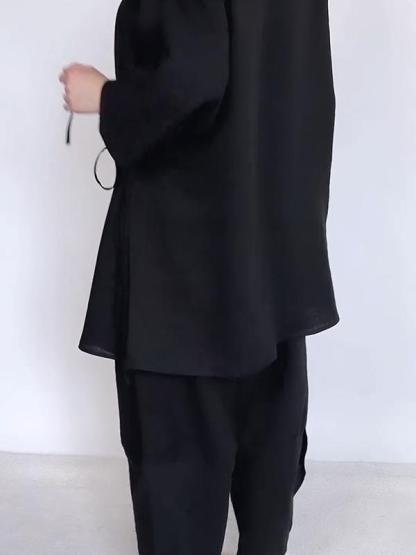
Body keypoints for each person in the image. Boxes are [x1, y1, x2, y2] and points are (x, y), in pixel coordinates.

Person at [60, 1, 339, 553]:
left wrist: (106, 97)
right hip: (271, 261)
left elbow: (193, 79)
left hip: (187, 274)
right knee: (266, 472)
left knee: (178, 489)